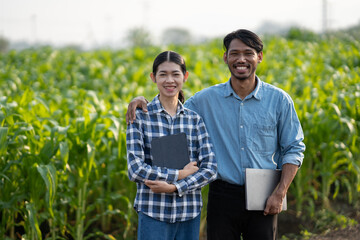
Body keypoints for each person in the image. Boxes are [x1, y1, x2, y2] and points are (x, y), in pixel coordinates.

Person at [126, 29, 305, 240]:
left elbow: (294, 148)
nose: (241, 59)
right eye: (234, 53)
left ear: (260, 57)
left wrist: (280, 192)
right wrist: (144, 101)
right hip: (222, 196)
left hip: (264, 193)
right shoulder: (205, 100)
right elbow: (172, 106)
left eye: (248, 53)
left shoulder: (279, 100)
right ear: (225, 58)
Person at [126, 50, 217, 240]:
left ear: (185, 77)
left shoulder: (194, 120)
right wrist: (179, 175)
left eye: (175, 74)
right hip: (153, 212)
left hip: (189, 213)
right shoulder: (140, 118)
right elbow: (135, 169)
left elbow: (210, 169)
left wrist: (176, 187)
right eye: (163, 74)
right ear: (153, 78)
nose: (170, 80)